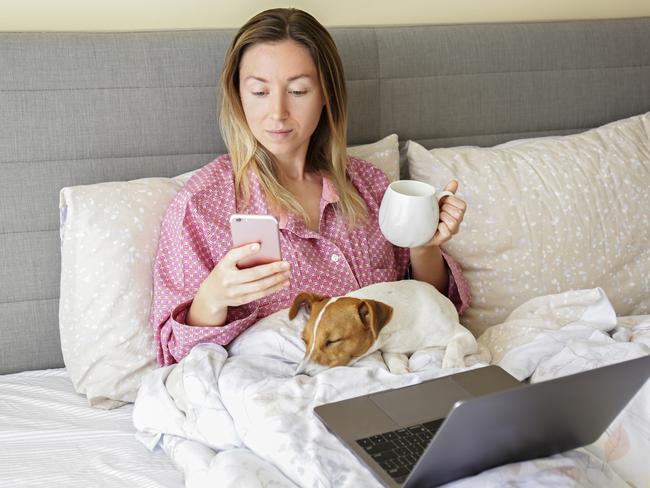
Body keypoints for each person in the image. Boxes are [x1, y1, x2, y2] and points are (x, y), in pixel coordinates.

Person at [151, 8, 470, 367]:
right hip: (284, 385)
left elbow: (429, 312)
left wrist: (425, 246)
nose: (278, 112)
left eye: (298, 90)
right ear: (237, 95)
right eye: (258, 91)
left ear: (326, 94)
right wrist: (212, 298)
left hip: (391, 379)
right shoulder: (203, 206)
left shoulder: (370, 186)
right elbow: (176, 355)